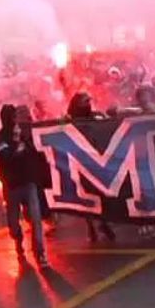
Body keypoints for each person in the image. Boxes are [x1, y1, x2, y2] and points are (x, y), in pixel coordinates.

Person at [0, 105, 49, 267]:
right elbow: (5, 158)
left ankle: (40, 254)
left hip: (28, 182)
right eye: (13, 117)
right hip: (11, 186)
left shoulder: (25, 134)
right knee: (14, 223)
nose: (16, 120)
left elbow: (36, 152)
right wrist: (17, 145)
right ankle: (18, 242)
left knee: (36, 219)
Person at [65, 93, 116, 243]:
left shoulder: (95, 116)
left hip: (97, 162)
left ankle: (103, 223)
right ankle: (92, 226)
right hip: (79, 163)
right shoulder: (70, 120)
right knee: (86, 197)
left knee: (101, 195)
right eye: (85, 102)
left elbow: (108, 124)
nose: (88, 104)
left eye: (89, 101)